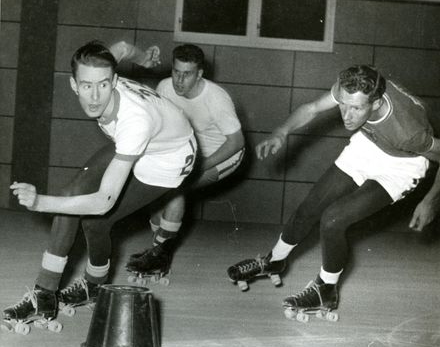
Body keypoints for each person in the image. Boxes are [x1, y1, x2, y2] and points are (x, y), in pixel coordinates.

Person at [4, 40, 197, 327]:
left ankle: (89, 287)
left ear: (115, 80)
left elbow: (104, 200)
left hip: (169, 159)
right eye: (86, 86)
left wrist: (39, 202)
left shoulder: (134, 123)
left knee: (95, 220)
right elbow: (121, 47)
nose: (95, 96)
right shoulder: (105, 64)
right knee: (74, 196)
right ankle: (48, 293)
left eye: (104, 86)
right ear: (73, 84)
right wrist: (145, 57)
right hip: (151, 137)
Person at [227, 65, 440, 319]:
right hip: (369, 145)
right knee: (310, 207)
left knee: (333, 220)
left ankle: (326, 289)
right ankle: (275, 260)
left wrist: (431, 199)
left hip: (402, 163)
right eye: (343, 105)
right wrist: (282, 131)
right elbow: (312, 108)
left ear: (375, 103)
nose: (346, 116)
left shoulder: (409, 132)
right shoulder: (354, 87)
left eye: (356, 108)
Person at [110, 42, 245, 275]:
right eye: (176, 72)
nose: (179, 81)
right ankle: (158, 249)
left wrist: (199, 166)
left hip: (222, 155)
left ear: (200, 74)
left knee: (175, 189)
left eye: (187, 74)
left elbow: (236, 142)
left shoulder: (216, 98)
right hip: (187, 151)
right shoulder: (164, 87)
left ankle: (158, 254)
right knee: (154, 191)